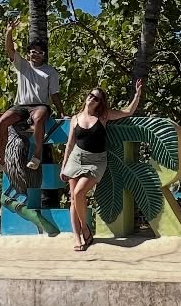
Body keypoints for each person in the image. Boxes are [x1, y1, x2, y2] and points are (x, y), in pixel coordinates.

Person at [58, 79, 144, 253]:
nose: (92, 99)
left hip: (96, 161)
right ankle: (78, 237)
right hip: (76, 158)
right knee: (74, 199)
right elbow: (69, 144)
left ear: (100, 103)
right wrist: (64, 166)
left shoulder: (103, 116)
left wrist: (137, 94)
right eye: (90, 96)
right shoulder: (75, 119)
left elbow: (128, 112)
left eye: (96, 98)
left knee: (79, 193)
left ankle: (85, 229)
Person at [0, 20, 61, 174]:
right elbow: (10, 50)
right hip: (21, 106)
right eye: (33, 51)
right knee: (2, 121)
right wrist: (9, 31)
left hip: (40, 106)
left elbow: (54, 94)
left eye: (40, 52)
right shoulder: (22, 65)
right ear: (29, 53)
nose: (36, 55)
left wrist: (62, 111)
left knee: (39, 118)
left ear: (44, 55)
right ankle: (1, 159)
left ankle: (37, 154)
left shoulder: (50, 72)